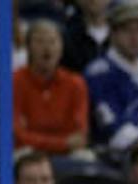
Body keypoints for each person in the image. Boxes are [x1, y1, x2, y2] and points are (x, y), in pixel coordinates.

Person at [84, 1, 138, 150]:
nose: (135, 38)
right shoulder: (99, 73)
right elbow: (108, 122)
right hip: (113, 153)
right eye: (127, 31)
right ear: (112, 34)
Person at [13, 19, 90, 155]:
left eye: (52, 41)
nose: (47, 48)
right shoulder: (15, 81)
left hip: (67, 151)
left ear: (61, 48)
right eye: (40, 41)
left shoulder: (76, 83)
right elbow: (17, 136)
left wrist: (38, 139)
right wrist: (61, 143)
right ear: (28, 47)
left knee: (84, 158)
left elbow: (79, 136)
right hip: (29, 151)